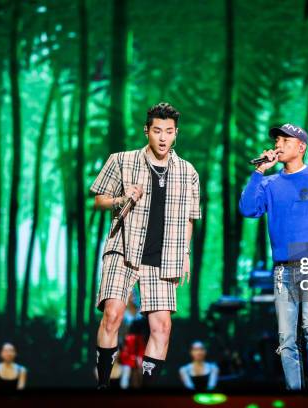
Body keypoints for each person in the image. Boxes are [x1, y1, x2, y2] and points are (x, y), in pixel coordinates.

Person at [91, 102, 201, 389]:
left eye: (169, 131)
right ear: (146, 131)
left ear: (176, 133)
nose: (163, 137)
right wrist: (121, 197)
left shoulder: (188, 172)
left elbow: (190, 218)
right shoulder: (121, 160)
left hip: (164, 257)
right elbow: (98, 200)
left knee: (162, 326)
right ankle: (103, 386)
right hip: (124, 248)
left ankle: (147, 393)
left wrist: (185, 254)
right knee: (113, 313)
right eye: (157, 131)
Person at [239, 123, 308, 391]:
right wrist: (259, 171)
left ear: (301, 147)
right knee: (286, 338)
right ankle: (294, 394)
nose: (278, 145)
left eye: (285, 140)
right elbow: (247, 209)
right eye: (277, 140)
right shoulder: (269, 183)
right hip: (282, 270)